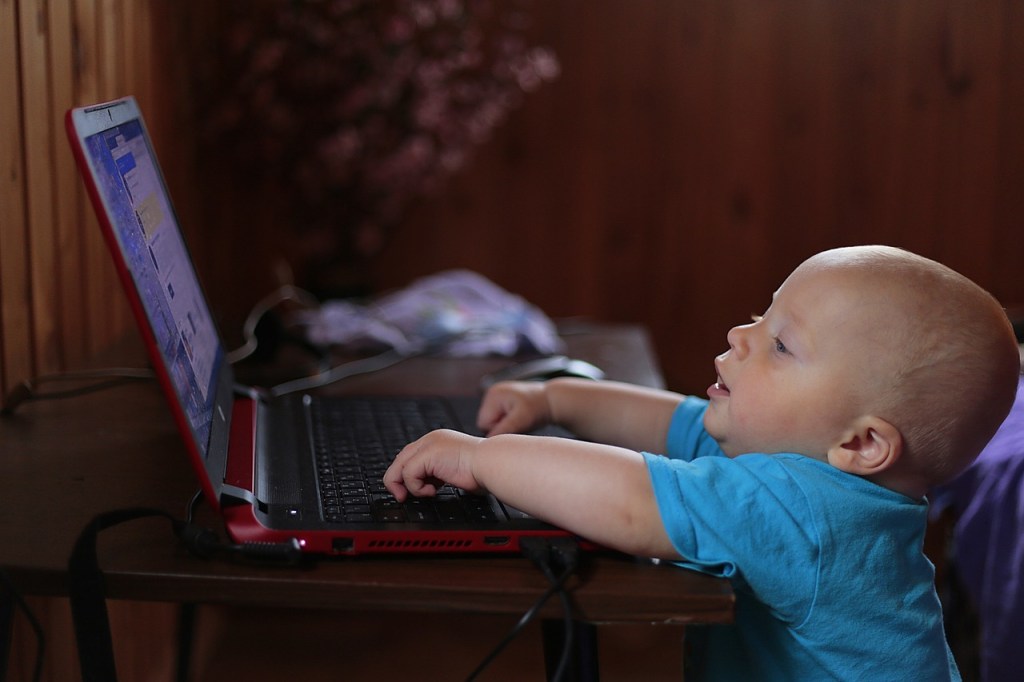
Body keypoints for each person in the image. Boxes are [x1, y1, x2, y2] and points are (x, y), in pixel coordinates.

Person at [383, 245, 1021, 680]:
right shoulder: (807, 463)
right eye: (760, 315)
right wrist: (554, 398)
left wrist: (483, 459)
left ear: (861, 444)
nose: (741, 337)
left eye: (780, 344)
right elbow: (672, 421)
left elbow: (631, 501)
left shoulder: (807, 510)